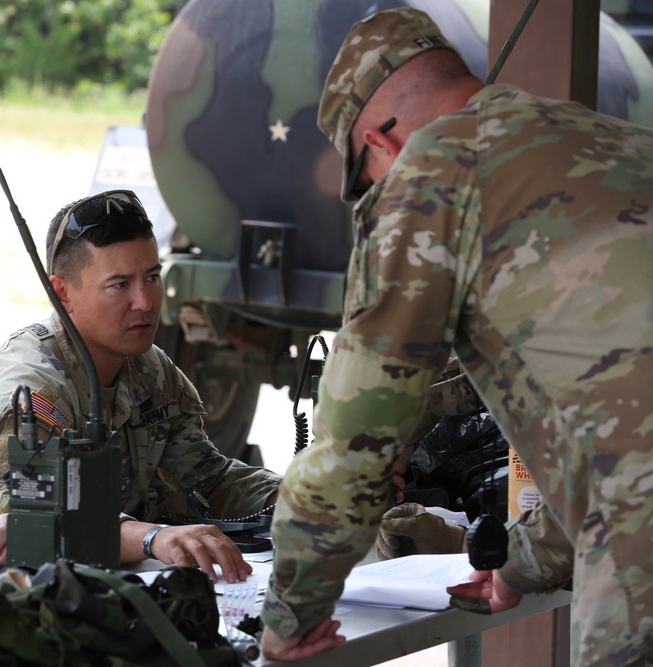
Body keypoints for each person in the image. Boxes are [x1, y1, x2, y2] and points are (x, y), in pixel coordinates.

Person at [259, 8, 653, 666]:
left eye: (360, 181)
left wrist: (290, 612)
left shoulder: (430, 174)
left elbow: (358, 438)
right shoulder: (621, 146)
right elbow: (614, 421)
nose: (370, 194)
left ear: (379, 141)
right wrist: (520, 566)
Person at [0, 190, 282, 583]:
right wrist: (151, 538)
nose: (145, 302)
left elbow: (206, 479)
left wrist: (299, 498)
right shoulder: (27, 393)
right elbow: (33, 528)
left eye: (152, 277)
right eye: (119, 285)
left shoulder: (148, 368)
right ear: (62, 293)